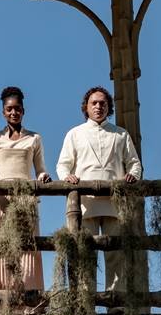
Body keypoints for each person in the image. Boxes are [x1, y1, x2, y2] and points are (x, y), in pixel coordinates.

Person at [56, 85, 142, 293]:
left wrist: (133, 175)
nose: (98, 106)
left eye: (103, 103)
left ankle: (116, 305)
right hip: (85, 204)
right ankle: (87, 302)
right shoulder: (75, 134)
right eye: (94, 103)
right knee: (85, 253)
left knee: (116, 255)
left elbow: (134, 163)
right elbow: (63, 165)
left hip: (115, 204)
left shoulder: (121, 134)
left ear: (109, 107)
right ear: (86, 107)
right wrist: (67, 177)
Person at [0, 86, 50, 312]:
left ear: (24, 110)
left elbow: (40, 169)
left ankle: (30, 307)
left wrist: (43, 176)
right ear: (3, 112)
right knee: (1, 249)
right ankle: (0, 307)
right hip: (0, 200)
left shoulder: (34, 138)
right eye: (9, 109)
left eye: (18, 109)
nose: (14, 113)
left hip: (25, 202)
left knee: (28, 250)